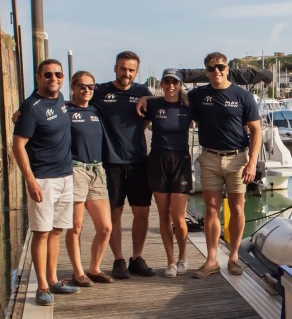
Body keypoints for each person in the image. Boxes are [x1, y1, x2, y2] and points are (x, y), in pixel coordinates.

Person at [186, 52, 262, 278]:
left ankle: (234, 257)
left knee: (237, 208)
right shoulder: (198, 95)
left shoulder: (242, 96)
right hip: (209, 158)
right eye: (211, 68)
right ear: (206, 71)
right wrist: (146, 99)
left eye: (220, 67)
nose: (216, 71)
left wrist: (252, 163)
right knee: (211, 210)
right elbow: (170, 100)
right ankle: (211, 260)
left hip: (238, 159)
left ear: (227, 68)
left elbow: (257, 130)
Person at [13, 59, 80, 305]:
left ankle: (53, 279)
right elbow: (17, 145)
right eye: (48, 75)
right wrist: (30, 180)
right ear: (39, 77)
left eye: (58, 74)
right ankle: (41, 286)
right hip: (43, 179)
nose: (54, 78)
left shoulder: (60, 99)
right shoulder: (31, 107)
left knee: (56, 230)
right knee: (41, 233)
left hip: (65, 176)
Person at [92, 51, 155, 279]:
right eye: (122, 68)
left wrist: (148, 99)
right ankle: (118, 259)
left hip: (138, 161)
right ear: (115, 68)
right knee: (114, 214)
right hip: (110, 163)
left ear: (136, 72)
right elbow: (73, 102)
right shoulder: (100, 91)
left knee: (142, 212)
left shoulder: (142, 92)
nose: (126, 73)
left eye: (131, 70)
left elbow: (159, 109)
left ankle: (136, 258)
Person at [65, 71, 114, 286]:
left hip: (97, 170)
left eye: (91, 87)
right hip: (75, 170)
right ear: (73, 87)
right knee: (75, 227)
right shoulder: (64, 110)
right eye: (82, 86)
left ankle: (94, 268)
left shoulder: (97, 110)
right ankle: (78, 272)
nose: (87, 90)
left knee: (105, 228)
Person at [144, 68, 192, 278]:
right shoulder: (153, 104)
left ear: (180, 84)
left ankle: (183, 257)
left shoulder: (189, 106)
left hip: (180, 161)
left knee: (178, 217)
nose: (171, 86)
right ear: (161, 84)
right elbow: (139, 121)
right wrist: (144, 98)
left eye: (175, 82)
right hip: (158, 160)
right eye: (167, 82)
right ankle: (170, 261)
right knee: (163, 215)